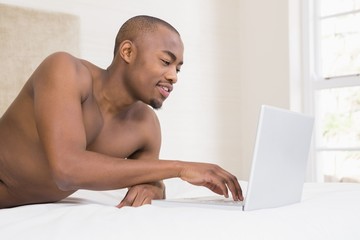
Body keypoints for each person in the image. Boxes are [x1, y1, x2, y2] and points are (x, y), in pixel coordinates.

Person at [0, 15, 243, 209]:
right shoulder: (65, 71)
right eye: (165, 62)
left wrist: (153, 187)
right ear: (127, 52)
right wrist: (180, 168)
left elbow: (150, 176)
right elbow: (67, 170)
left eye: (178, 68)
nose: (174, 76)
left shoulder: (146, 125)